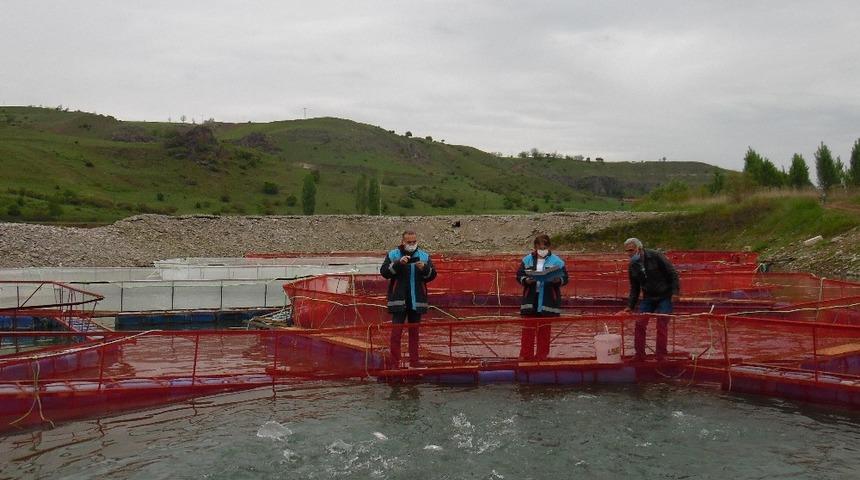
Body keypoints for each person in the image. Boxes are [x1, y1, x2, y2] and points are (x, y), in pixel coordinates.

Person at [380, 230, 437, 368]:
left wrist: (424, 268)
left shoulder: (424, 256)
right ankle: (394, 363)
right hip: (398, 301)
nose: (412, 244)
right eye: (409, 242)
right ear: (403, 242)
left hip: (417, 301)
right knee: (396, 334)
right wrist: (398, 263)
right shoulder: (393, 254)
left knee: (414, 334)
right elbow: (385, 273)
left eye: (414, 242)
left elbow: (432, 275)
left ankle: (414, 363)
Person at [618, 237, 680, 361]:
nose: (629, 254)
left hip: (664, 296)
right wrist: (630, 306)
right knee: (640, 323)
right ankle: (639, 355)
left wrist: (675, 292)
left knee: (662, 324)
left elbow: (672, 273)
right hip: (648, 297)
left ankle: (661, 354)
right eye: (627, 251)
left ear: (639, 249)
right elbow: (635, 288)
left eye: (631, 250)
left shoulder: (656, 256)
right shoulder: (632, 266)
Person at [516, 234, 569, 360]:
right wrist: (526, 280)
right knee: (528, 330)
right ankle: (526, 355)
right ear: (535, 247)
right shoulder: (527, 260)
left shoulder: (557, 261)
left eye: (544, 247)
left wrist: (557, 280)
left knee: (544, 331)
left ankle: (542, 356)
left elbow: (565, 278)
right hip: (531, 299)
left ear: (549, 247)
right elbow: (519, 275)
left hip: (547, 300)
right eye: (539, 247)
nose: (542, 249)